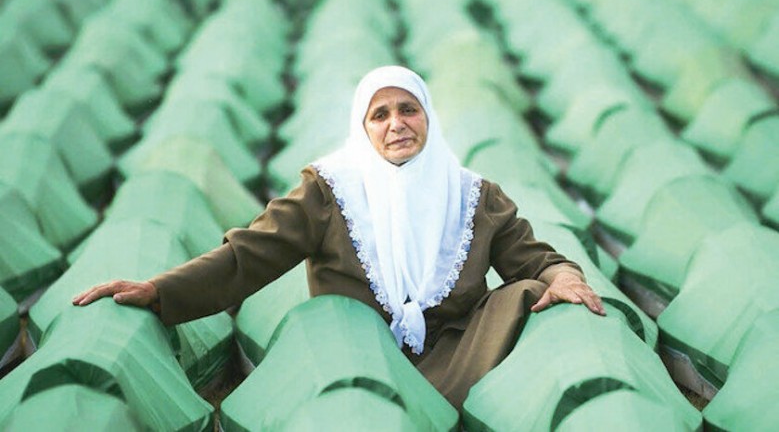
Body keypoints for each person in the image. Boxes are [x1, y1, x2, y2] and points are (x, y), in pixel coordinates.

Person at [73, 65, 605, 409]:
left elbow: (536, 260)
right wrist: (161, 292)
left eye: (408, 109)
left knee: (534, 295)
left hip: (457, 352)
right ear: (364, 127)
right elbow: (248, 257)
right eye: (380, 114)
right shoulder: (329, 191)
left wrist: (565, 278)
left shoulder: (474, 195)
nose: (396, 124)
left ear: (428, 118)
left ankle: (455, 406)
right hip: (357, 353)